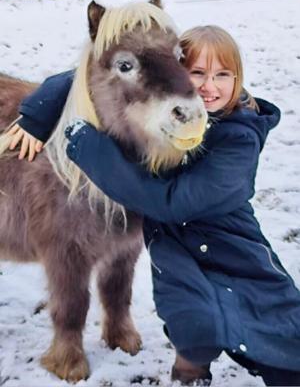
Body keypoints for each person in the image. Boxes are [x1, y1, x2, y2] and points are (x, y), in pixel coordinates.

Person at [7, 26, 300, 386]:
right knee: (190, 317)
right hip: (180, 253)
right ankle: (183, 370)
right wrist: (40, 108)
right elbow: (100, 71)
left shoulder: (235, 138)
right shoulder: (166, 117)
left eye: (223, 75)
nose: (209, 86)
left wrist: (87, 149)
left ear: (238, 79)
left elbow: (167, 203)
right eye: (197, 73)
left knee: (272, 324)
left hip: (232, 250)